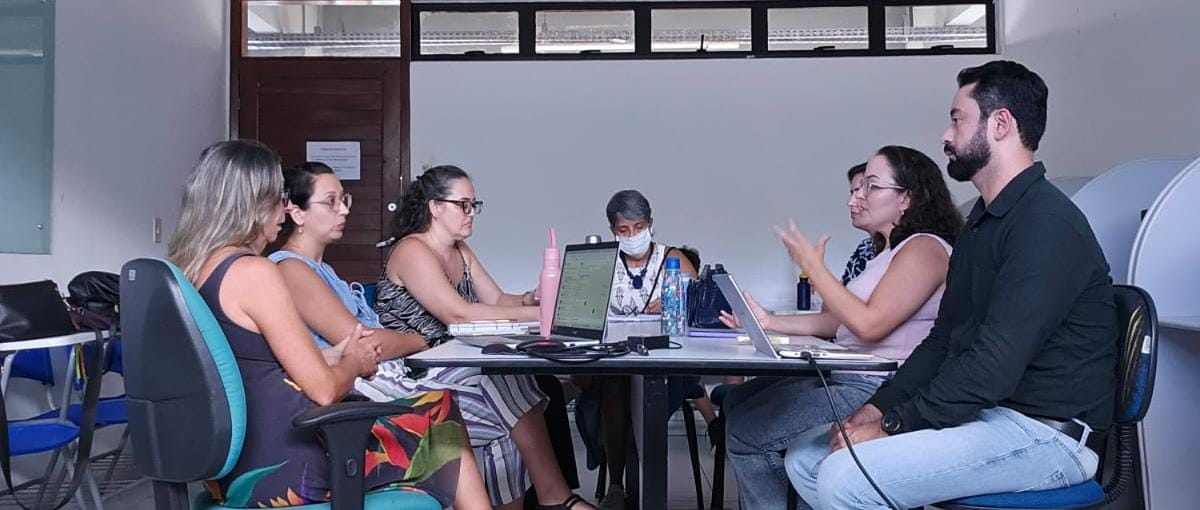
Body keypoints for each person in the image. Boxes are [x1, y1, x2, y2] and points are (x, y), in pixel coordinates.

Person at [784, 60, 1118, 509]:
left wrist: (892, 426)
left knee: (845, 477)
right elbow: (943, 341)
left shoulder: (1045, 224)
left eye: (958, 119)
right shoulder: (983, 222)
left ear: (1000, 124)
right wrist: (876, 408)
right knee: (807, 458)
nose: (946, 135)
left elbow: (993, 364)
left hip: (1046, 434)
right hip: (990, 414)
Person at [167, 141, 489, 509]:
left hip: (230, 466)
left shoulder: (191, 272)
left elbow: (247, 363)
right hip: (288, 465)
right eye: (277, 198)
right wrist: (355, 361)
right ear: (252, 204)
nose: (284, 209)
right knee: (440, 412)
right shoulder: (254, 272)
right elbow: (324, 391)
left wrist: (331, 355)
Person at [720, 146, 962, 509]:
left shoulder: (925, 249)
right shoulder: (886, 252)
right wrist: (768, 322)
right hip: (848, 375)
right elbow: (840, 320)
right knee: (739, 404)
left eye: (870, 187)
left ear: (906, 198)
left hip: (879, 386)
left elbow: (869, 324)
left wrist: (814, 268)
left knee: (747, 434)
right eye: (857, 188)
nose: (856, 198)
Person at [369, 165, 592, 510]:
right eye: (463, 205)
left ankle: (555, 497)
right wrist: (545, 315)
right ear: (435, 207)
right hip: (411, 371)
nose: (471, 212)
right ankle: (557, 497)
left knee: (506, 395)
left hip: (450, 367)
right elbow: (459, 314)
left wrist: (534, 298)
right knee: (501, 389)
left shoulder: (460, 251)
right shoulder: (412, 250)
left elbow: (498, 300)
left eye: (474, 205)